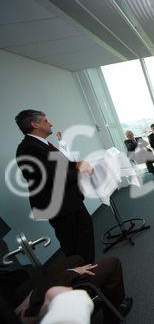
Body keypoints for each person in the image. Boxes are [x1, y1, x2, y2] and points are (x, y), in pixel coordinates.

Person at [15, 110, 95, 264]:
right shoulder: (28, 148)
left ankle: (91, 275)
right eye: (46, 121)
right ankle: (81, 280)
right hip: (60, 207)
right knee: (74, 247)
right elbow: (52, 177)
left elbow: (62, 165)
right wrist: (81, 171)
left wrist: (78, 164)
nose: (50, 123)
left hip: (70, 201)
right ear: (35, 124)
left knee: (85, 241)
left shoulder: (42, 144)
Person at [1, 256, 132, 324]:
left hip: (16, 296)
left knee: (76, 259)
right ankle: (112, 319)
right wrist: (70, 273)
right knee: (112, 264)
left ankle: (89, 298)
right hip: (27, 310)